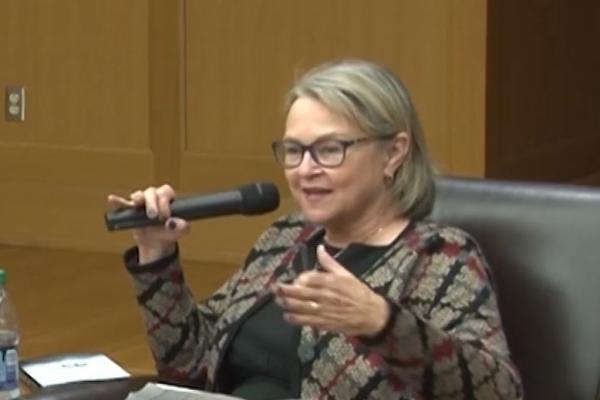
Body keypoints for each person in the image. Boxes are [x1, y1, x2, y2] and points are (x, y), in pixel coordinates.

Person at [108, 59, 523, 399]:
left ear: (394, 153)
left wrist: (383, 323)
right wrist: (157, 255)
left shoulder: (439, 257)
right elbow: (189, 368)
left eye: (329, 149)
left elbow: (499, 391)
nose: (306, 170)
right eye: (294, 151)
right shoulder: (285, 238)